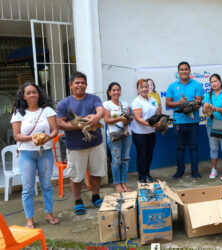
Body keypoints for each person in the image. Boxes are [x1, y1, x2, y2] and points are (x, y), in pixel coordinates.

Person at [56, 71, 106, 215]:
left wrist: (95, 118)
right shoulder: (64, 103)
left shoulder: (94, 98)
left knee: (97, 172)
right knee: (76, 175)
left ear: (86, 85)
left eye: (83, 83)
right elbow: (59, 123)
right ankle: (78, 201)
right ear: (70, 85)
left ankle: (96, 196)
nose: (80, 85)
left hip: (95, 143)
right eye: (77, 83)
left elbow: (100, 111)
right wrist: (80, 125)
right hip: (75, 145)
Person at [11, 82, 59, 228]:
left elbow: (54, 130)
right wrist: (33, 138)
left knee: (47, 185)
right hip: (26, 154)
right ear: (24, 96)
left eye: (34, 92)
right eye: (28, 93)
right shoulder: (18, 113)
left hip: (45, 152)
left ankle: (49, 213)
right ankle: (29, 219)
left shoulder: (47, 111)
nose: (32, 95)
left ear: (39, 94)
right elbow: (17, 136)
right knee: (27, 188)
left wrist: (47, 138)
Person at [166, 62, 204, 179]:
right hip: (178, 123)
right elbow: (168, 103)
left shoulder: (197, 85)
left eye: (186, 69)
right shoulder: (172, 86)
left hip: (193, 122)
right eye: (181, 70)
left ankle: (195, 171)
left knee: (193, 147)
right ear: (178, 72)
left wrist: (189, 105)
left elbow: (198, 104)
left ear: (190, 71)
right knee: (180, 148)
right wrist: (179, 103)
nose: (184, 71)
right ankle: (180, 171)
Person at [103, 82, 132, 192]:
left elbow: (129, 118)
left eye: (118, 90)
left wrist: (127, 120)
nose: (116, 92)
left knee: (125, 159)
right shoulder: (107, 104)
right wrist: (120, 119)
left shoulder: (125, 104)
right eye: (114, 90)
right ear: (109, 92)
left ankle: (123, 182)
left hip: (126, 134)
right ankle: (117, 184)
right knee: (116, 160)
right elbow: (106, 120)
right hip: (114, 136)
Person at [203, 74, 222, 180]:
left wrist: (214, 108)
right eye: (212, 82)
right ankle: (214, 169)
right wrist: (205, 108)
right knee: (213, 149)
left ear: (220, 82)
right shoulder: (208, 95)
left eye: (216, 81)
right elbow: (204, 108)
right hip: (211, 125)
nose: (214, 83)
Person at [131, 79, 161, 183]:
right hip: (139, 134)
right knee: (142, 155)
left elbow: (157, 114)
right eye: (141, 87)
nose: (144, 89)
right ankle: (142, 176)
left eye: (146, 87)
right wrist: (152, 124)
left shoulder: (153, 100)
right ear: (137, 89)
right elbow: (139, 119)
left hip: (151, 133)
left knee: (149, 154)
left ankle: (147, 174)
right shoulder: (136, 102)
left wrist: (159, 122)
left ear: (149, 88)